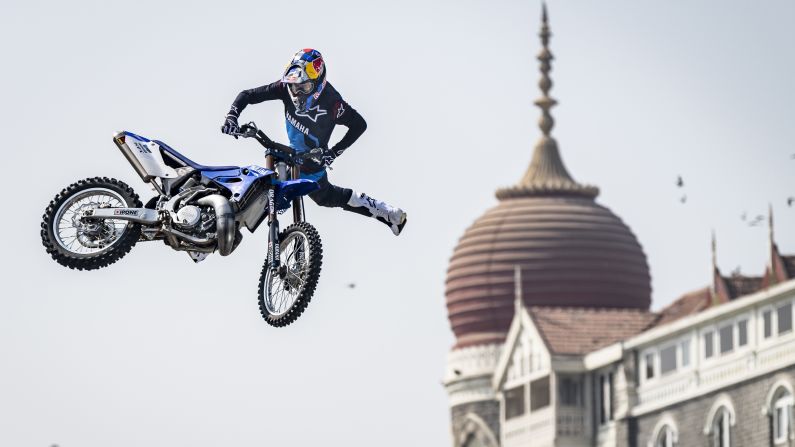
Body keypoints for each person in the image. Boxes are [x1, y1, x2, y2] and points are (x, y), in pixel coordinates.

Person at [221, 48, 407, 236]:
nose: (298, 92)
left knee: (325, 198)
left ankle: (385, 212)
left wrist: (333, 153)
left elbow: (360, 125)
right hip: (288, 156)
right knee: (262, 190)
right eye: (294, 86)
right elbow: (247, 95)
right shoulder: (284, 88)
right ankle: (217, 228)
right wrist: (232, 117)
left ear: (319, 82)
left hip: (314, 163)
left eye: (305, 87)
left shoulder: (333, 102)